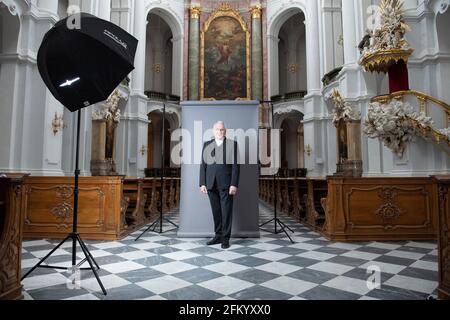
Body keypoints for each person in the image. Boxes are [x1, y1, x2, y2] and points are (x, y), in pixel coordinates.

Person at [199, 121, 240, 249]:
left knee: (226, 211)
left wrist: (234, 184)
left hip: (227, 184)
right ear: (213, 131)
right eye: (217, 129)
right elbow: (203, 166)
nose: (220, 132)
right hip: (210, 184)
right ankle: (218, 235)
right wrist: (202, 183)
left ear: (225, 131)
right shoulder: (207, 145)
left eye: (222, 130)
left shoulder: (232, 144)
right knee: (216, 211)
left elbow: (236, 167)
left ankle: (225, 238)